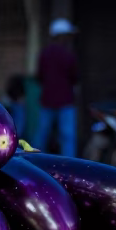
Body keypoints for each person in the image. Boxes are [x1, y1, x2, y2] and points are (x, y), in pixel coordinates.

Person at [35, 19, 80, 157]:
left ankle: (33, 162)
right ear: (61, 36)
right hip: (65, 101)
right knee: (67, 138)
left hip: (47, 100)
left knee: (41, 135)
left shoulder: (44, 54)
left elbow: (39, 76)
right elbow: (75, 78)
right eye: (67, 35)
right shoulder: (69, 55)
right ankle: (69, 167)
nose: (68, 39)